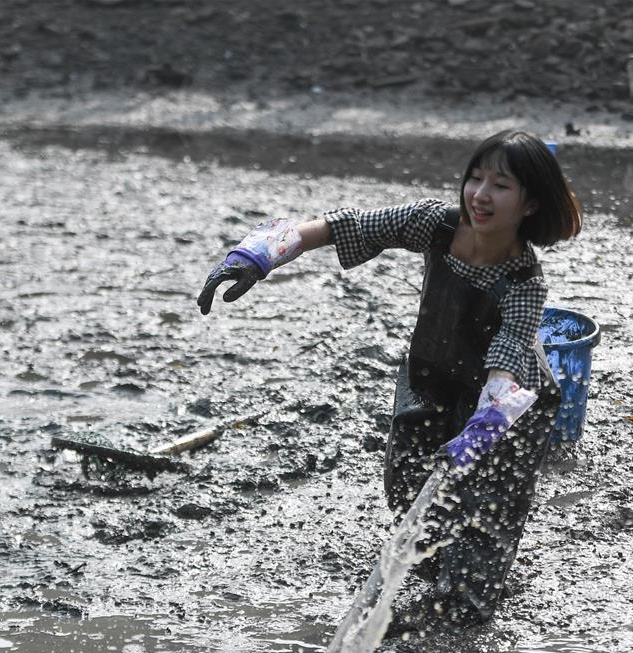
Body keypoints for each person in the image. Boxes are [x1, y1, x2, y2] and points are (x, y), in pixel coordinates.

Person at [196, 129, 582, 624]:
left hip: (505, 399)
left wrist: (480, 432)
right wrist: (260, 253)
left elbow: (507, 359)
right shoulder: (436, 223)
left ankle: (462, 606)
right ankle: (434, 565)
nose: (480, 195)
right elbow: (348, 226)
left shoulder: (525, 282)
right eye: (475, 178)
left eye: (501, 186)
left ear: (530, 204)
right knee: (409, 481)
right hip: (434, 371)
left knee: (488, 503)